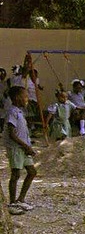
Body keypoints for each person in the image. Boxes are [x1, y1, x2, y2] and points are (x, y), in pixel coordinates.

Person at [4, 86, 37, 215]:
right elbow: (12, 134)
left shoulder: (19, 112)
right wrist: (26, 146)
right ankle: (12, 203)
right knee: (16, 174)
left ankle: (21, 199)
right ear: (18, 98)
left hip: (23, 148)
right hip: (16, 148)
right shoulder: (12, 112)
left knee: (32, 171)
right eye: (25, 96)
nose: (27, 99)